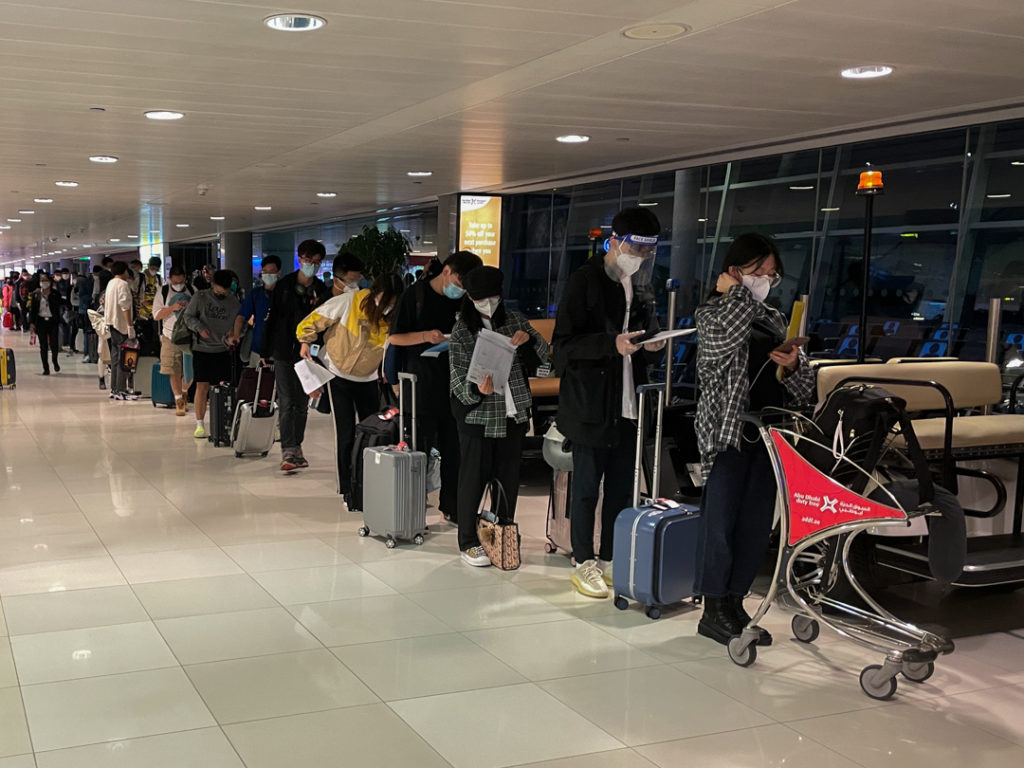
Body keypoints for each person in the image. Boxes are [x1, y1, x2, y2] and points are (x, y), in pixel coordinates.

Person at [693, 232, 814, 646]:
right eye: (757, 272)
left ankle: (736, 601)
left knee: (755, 524)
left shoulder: (774, 319)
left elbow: (803, 388)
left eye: (771, 274)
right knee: (721, 523)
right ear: (732, 273)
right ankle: (713, 608)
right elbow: (724, 340)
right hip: (728, 433)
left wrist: (795, 365)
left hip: (768, 433)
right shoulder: (712, 314)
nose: (765, 280)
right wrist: (736, 292)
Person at [552, 206, 665, 598]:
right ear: (614, 242)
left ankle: (613, 557)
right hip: (590, 403)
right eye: (635, 248)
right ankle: (584, 560)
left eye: (648, 252)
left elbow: (644, 343)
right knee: (586, 488)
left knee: (621, 488)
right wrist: (609, 345)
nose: (641, 258)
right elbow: (562, 347)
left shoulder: (644, 285)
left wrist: (654, 347)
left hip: (630, 403)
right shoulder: (585, 281)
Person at [449, 266, 549, 566]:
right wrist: (477, 390)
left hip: (512, 412)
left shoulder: (515, 319)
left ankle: (503, 532)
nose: (488, 302)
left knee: (508, 478)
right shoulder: (462, 330)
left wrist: (528, 341)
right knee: (473, 478)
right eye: (481, 297)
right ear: (470, 296)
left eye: (493, 296)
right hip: (479, 415)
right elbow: (456, 376)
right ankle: (468, 540)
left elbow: (544, 354)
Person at [388, 250, 483, 522]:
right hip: (420, 385)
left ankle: (452, 506)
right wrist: (424, 337)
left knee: (455, 449)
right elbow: (395, 338)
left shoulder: (465, 302)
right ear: (447, 272)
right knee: (420, 448)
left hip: (455, 385)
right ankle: (413, 506)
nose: (460, 290)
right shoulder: (414, 297)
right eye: (460, 283)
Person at [296, 273, 404, 496]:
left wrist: (386, 373)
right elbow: (313, 319)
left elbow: (389, 348)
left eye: (392, 303)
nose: (387, 307)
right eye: (385, 301)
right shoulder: (350, 301)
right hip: (337, 374)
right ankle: (346, 486)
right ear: (375, 293)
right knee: (345, 433)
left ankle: (368, 481)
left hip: (369, 378)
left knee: (372, 432)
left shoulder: (393, 317)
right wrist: (305, 340)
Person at [262, 240, 330, 471]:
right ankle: (288, 450)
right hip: (283, 351)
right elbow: (272, 321)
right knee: (287, 401)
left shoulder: (321, 290)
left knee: (302, 403)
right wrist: (265, 351)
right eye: (308, 260)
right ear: (300, 259)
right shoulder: (284, 286)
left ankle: (296, 447)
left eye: (317, 262)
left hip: (309, 354)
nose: (312, 265)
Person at [183, 270, 241, 437]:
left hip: (222, 349)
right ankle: (199, 424)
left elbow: (239, 322)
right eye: (219, 288)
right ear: (212, 284)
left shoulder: (233, 300)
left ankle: (222, 422)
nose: (223, 292)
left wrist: (234, 335)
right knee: (202, 386)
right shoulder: (200, 297)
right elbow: (188, 317)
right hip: (202, 349)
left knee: (222, 388)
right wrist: (199, 328)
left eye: (226, 289)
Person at [152, 266, 195, 416]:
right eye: (175, 281)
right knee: (173, 369)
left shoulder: (193, 290)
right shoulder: (163, 292)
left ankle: (184, 391)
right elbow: (156, 315)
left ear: (185, 279)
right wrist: (172, 308)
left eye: (181, 281)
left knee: (191, 370)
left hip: (190, 337)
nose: (178, 284)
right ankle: (179, 400)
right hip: (170, 336)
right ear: (170, 279)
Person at [233, 255, 280, 367]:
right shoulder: (255, 294)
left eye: (271, 271)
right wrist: (236, 335)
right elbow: (241, 316)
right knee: (257, 381)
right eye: (265, 271)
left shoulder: (285, 293)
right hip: (258, 347)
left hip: (279, 349)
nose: (268, 275)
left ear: (279, 273)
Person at [103, 261, 137, 399]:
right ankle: (121, 389)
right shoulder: (123, 285)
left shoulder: (111, 283)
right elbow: (125, 307)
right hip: (121, 325)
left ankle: (114, 389)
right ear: (124, 271)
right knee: (124, 358)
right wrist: (130, 326)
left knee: (115, 357)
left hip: (111, 324)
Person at [28, 272, 62, 375]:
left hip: (52, 322)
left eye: (46, 281)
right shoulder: (36, 294)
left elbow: (58, 306)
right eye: (42, 281)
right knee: (43, 346)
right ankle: (45, 368)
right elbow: (33, 310)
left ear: (50, 282)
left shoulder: (55, 294)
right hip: (41, 322)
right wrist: (32, 323)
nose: (44, 283)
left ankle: (55, 361)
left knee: (54, 344)